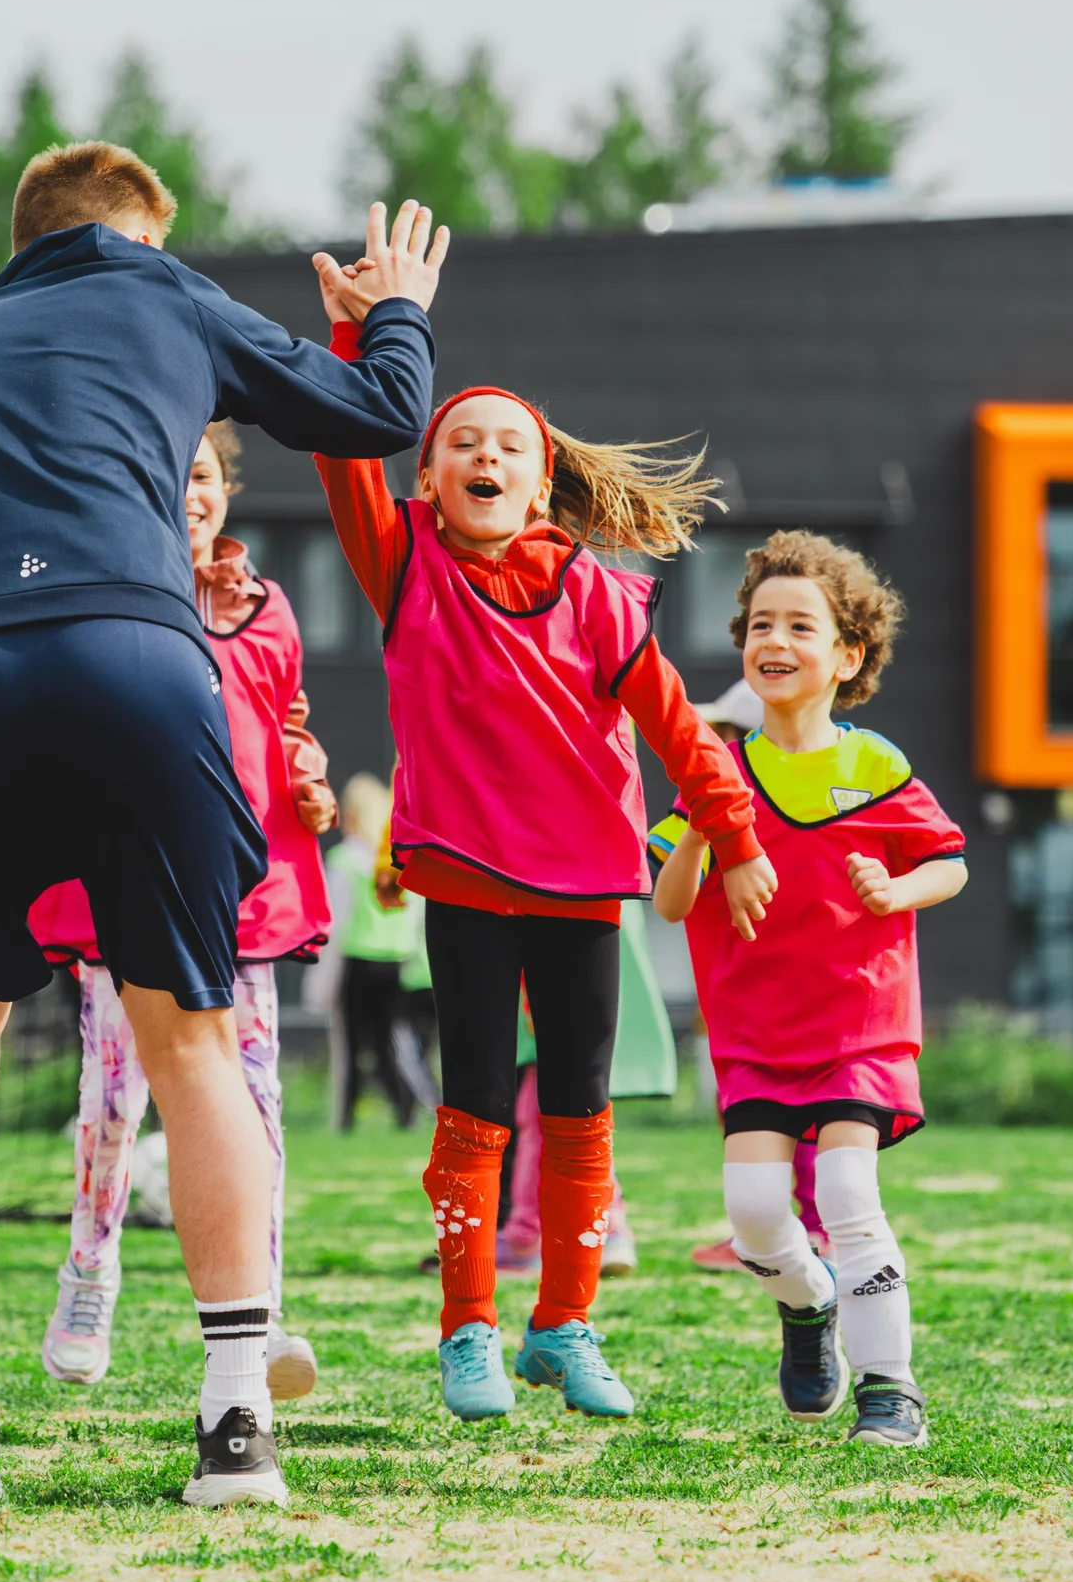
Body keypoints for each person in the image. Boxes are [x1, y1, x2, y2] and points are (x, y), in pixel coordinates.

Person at [0, 141, 446, 1505]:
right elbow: (379, 411)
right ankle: (236, 1418)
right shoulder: (166, 296)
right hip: (134, 657)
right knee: (189, 1032)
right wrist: (390, 305)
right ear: (139, 233)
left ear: (21, 238)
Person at [311, 285, 772, 1422]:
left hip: (583, 892)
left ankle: (562, 1327)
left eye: (507, 445)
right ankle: (468, 1329)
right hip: (464, 884)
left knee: (579, 1113)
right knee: (473, 1111)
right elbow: (336, 450)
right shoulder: (403, 561)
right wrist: (355, 337)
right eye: (459, 442)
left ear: (538, 479)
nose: (483, 455)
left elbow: (675, 723)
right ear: (427, 478)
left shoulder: (600, 599)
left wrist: (735, 831)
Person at [27, 421, 336, 1401]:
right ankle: (90, 1267)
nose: (187, 492)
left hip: (240, 900)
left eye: (200, 473)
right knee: (113, 1102)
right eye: (165, 476)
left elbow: (282, 723)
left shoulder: (270, 608)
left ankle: (265, 1301)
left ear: (226, 488)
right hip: (122, 889)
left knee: (257, 1110)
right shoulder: (97, 597)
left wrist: (308, 775)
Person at [651, 531, 967, 1449]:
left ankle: (891, 1390)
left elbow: (947, 864)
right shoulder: (721, 772)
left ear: (848, 654)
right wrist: (710, 820)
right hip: (755, 1037)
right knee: (754, 1216)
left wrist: (895, 889)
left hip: (861, 1027)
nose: (773, 639)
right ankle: (808, 1299)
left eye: (799, 623)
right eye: (759, 623)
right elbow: (670, 902)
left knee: (846, 1187)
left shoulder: (876, 767)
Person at [675, 680, 830, 1274]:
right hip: (742, 989)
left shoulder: (759, 800)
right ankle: (780, 1231)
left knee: (795, 1108)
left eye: (723, 733)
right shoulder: (717, 806)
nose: (712, 743)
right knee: (755, 1111)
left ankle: (809, 1229)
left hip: (779, 987)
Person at [494, 900, 673, 1278]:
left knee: (549, 1110)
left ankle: (539, 1232)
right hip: (593, 947)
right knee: (570, 1107)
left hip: (570, 947)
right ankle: (605, 1224)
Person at [320, 774, 428, 1130]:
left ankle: (345, 1118)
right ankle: (405, 1110)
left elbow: (337, 920)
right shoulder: (398, 859)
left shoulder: (344, 860)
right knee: (392, 1045)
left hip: (359, 961)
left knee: (351, 1046)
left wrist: (323, 978)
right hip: (397, 962)